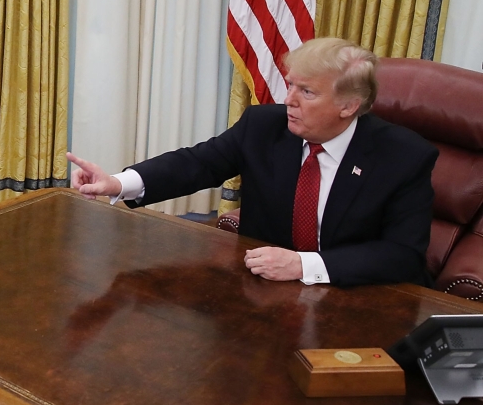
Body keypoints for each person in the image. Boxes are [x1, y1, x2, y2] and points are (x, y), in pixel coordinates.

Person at [68, 38, 438, 288]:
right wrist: (118, 183)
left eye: (306, 92)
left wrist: (303, 266)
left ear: (348, 106)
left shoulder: (404, 156)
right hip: (263, 292)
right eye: (290, 85)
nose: (289, 100)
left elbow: (402, 255)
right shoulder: (264, 126)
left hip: (355, 295)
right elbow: (198, 163)